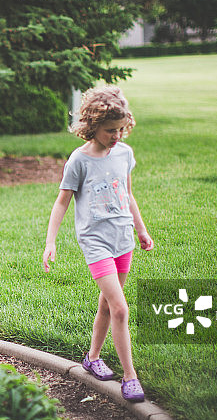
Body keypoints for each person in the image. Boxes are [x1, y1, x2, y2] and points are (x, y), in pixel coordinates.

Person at [42, 85, 153, 402]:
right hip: (95, 243)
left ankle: (92, 358)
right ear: (92, 126)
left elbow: (128, 194)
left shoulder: (124, 153)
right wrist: (51, 242)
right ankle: (130, 376)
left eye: (120, 129)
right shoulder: (79, 160)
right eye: (109, 131)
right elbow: (62, 203)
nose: (116, 136)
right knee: (120, 308)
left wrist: (142, 231)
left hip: (123, 239)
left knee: (107, 304)